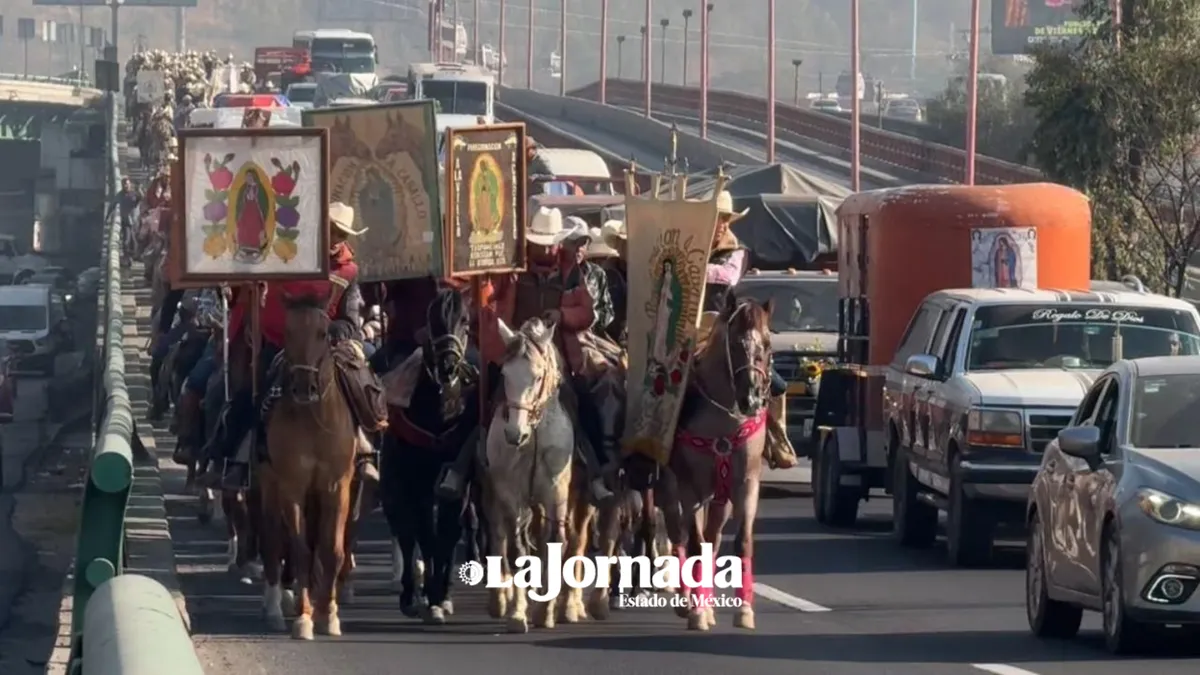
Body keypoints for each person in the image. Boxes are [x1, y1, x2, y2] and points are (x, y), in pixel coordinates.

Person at [437, 209, 615, 503]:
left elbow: (587, 314)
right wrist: (485, 289)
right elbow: (491, 299)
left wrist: (562, 314)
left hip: (557, 359)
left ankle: (596, 475)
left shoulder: (572, 274)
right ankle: (457, 470)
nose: (544, 249)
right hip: (514, 354)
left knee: (585, 405)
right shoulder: (513, 271)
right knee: (480, 404)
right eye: (539, 243)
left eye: (549, 243)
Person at [199, 202, 365, 489]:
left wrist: (329, 332)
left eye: (339, 232)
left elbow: (350, 320)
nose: (334, 236)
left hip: (327, 347)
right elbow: (270, 300)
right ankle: (233, 459)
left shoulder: (349, 271)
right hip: (282, 343)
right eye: (330, 229)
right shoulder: (289, 257)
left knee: (363, 385)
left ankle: (366, 453)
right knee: (254, 393)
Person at [703, 191, 796, 469]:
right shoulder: (689, 246)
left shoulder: (737, 252)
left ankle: (777, 437)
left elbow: (725, 276)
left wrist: (690, 264)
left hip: (722, 328)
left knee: (776, 384)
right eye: (715, 218)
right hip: (689, 330)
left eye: (723, 219)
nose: (719, 224)